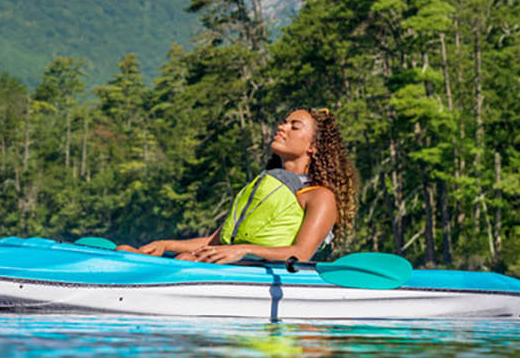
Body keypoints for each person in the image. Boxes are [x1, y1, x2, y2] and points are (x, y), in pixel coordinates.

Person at [124, 108, 358, 265]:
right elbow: (215, 242)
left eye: (294, 126)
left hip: (263, 273)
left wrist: (244, 250)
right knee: (126, 250)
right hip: (233, 264)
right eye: (284, 122)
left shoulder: (320, 197)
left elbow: (302, 253)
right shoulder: (263, 184)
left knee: (187, 259)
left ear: (313, 147)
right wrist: (164, 245)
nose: (282, 127)